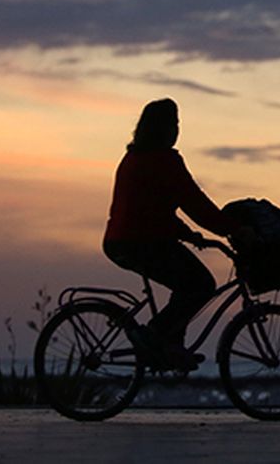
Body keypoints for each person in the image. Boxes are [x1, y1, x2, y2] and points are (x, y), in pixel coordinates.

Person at [102, 98, 237, 369]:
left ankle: (171, 348)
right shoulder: (164, 161)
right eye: (173, 124)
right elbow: (194, 202)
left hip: (123, 241)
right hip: (141, 242)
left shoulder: (134, 158)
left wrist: (190, 235)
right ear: (161, 128)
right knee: (200, 284)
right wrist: (231, 229)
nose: (177, 130)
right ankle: (153, 335)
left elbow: (154, 208)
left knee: (186, 284)